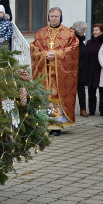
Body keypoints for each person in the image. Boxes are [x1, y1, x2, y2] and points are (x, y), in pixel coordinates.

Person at [30, 7, 80, 136]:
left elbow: (73, 50)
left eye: (56, 16)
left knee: (57, 97)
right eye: (51, 16)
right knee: (46, 97)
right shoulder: (40, 33)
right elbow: (34, 48)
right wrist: (44, 55)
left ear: (61, 17)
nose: (53, 18)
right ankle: (45, 123)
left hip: (60, 73)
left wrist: (57, 54)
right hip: (45, 71)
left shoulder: (69, 33)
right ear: (48, 17)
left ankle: (56, 125)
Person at [85, 23, 103, 116]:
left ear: (101, 31)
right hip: (90, 69)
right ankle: (91, 110)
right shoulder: (89, 42)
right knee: (91, 91)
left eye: (96, 30)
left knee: (102, 90)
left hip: (101, 68)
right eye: (94, 30)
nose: (94, 32)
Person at [72, 22, 89, 117]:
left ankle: (83, 109)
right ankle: (70, 109)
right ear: (79, 31)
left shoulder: (81, 41)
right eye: (83, 30)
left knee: (81, 90)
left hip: (81, 70)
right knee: (71, 91)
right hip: (73, 70)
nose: (84, 32)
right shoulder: (73, 40)